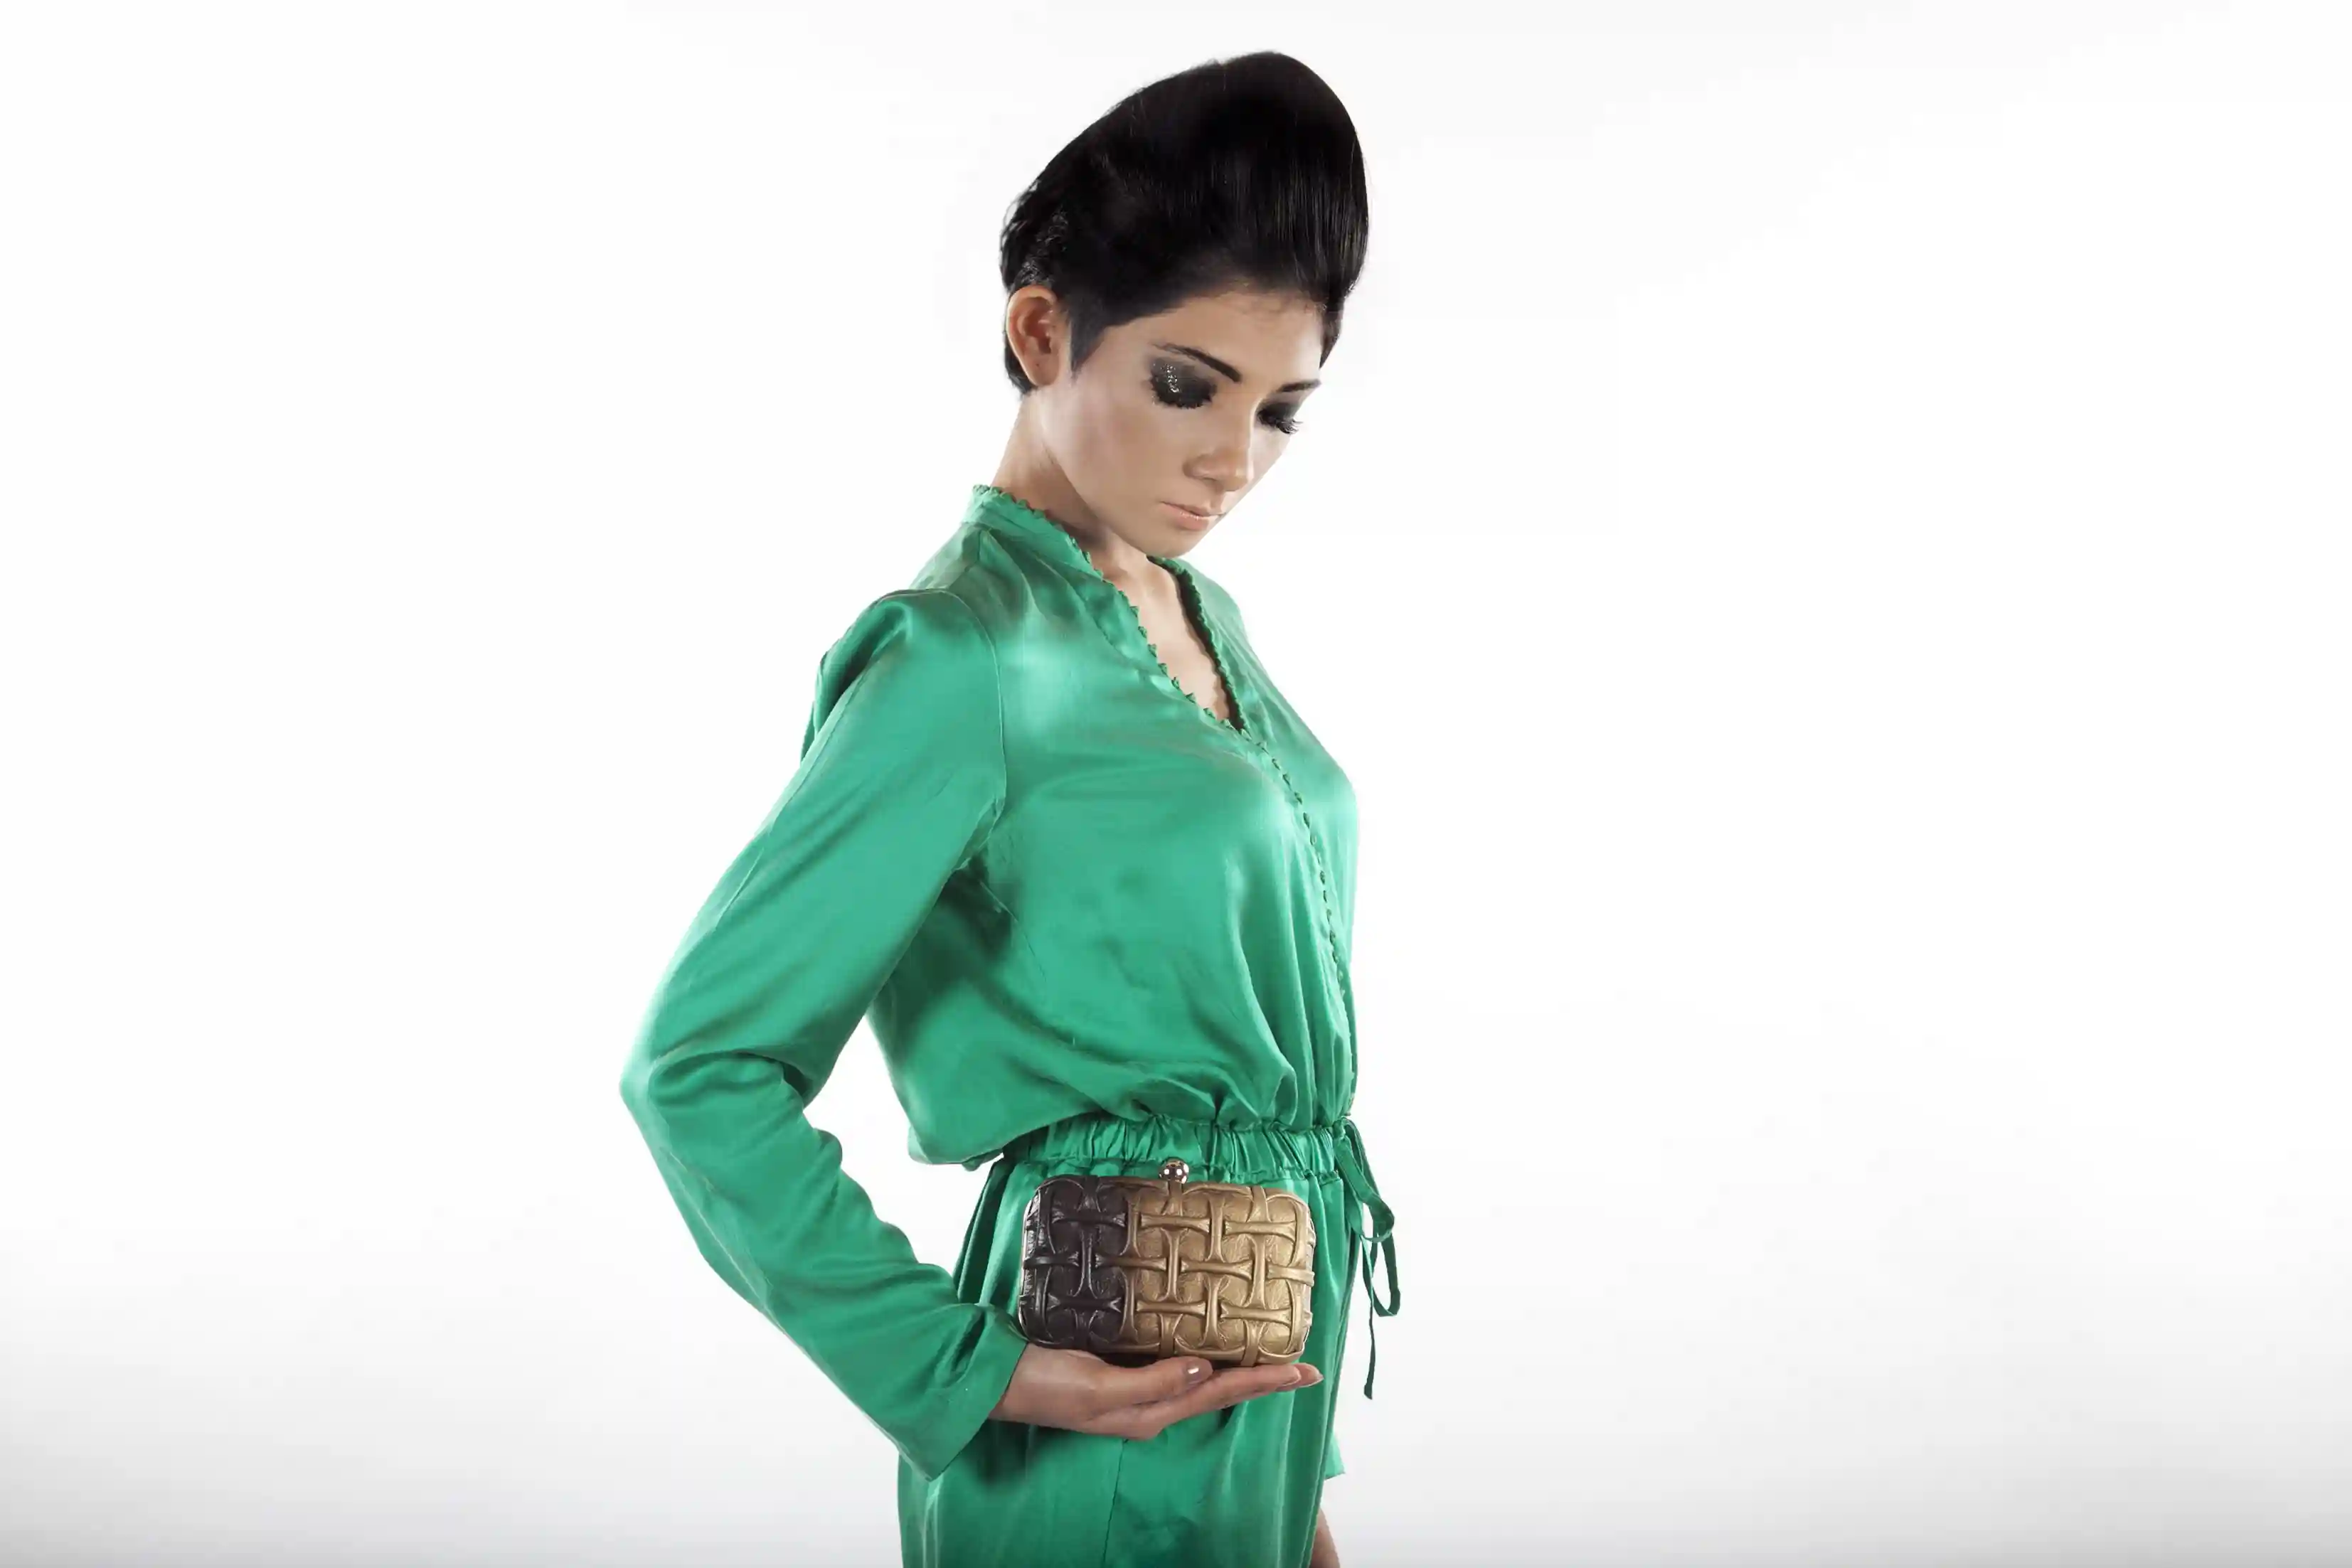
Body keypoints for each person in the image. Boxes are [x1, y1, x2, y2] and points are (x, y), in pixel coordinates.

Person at [617, 50, 1398, 1568]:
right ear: (1043, 333)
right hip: (1087, 1427)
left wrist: (1296, 1487)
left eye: (1282, 411)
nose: (1233, 459)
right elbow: (695, 1068)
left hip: (1256, 1392)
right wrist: (960, 1367)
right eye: (1187, 386)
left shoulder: (1202, 619)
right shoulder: (958, 661)